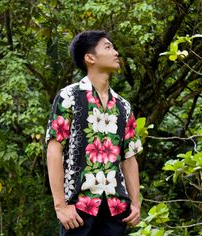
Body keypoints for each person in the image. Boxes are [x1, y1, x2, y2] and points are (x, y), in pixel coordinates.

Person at [46, 30, 143, 236]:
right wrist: (60, 206)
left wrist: (135, 203)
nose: (116, 52)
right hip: (78, 210)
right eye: (108, 47)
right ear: (90, 58)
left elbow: (129, 158)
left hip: (116, 210)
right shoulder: (69, 97)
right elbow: (54, 151)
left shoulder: (123, 106)